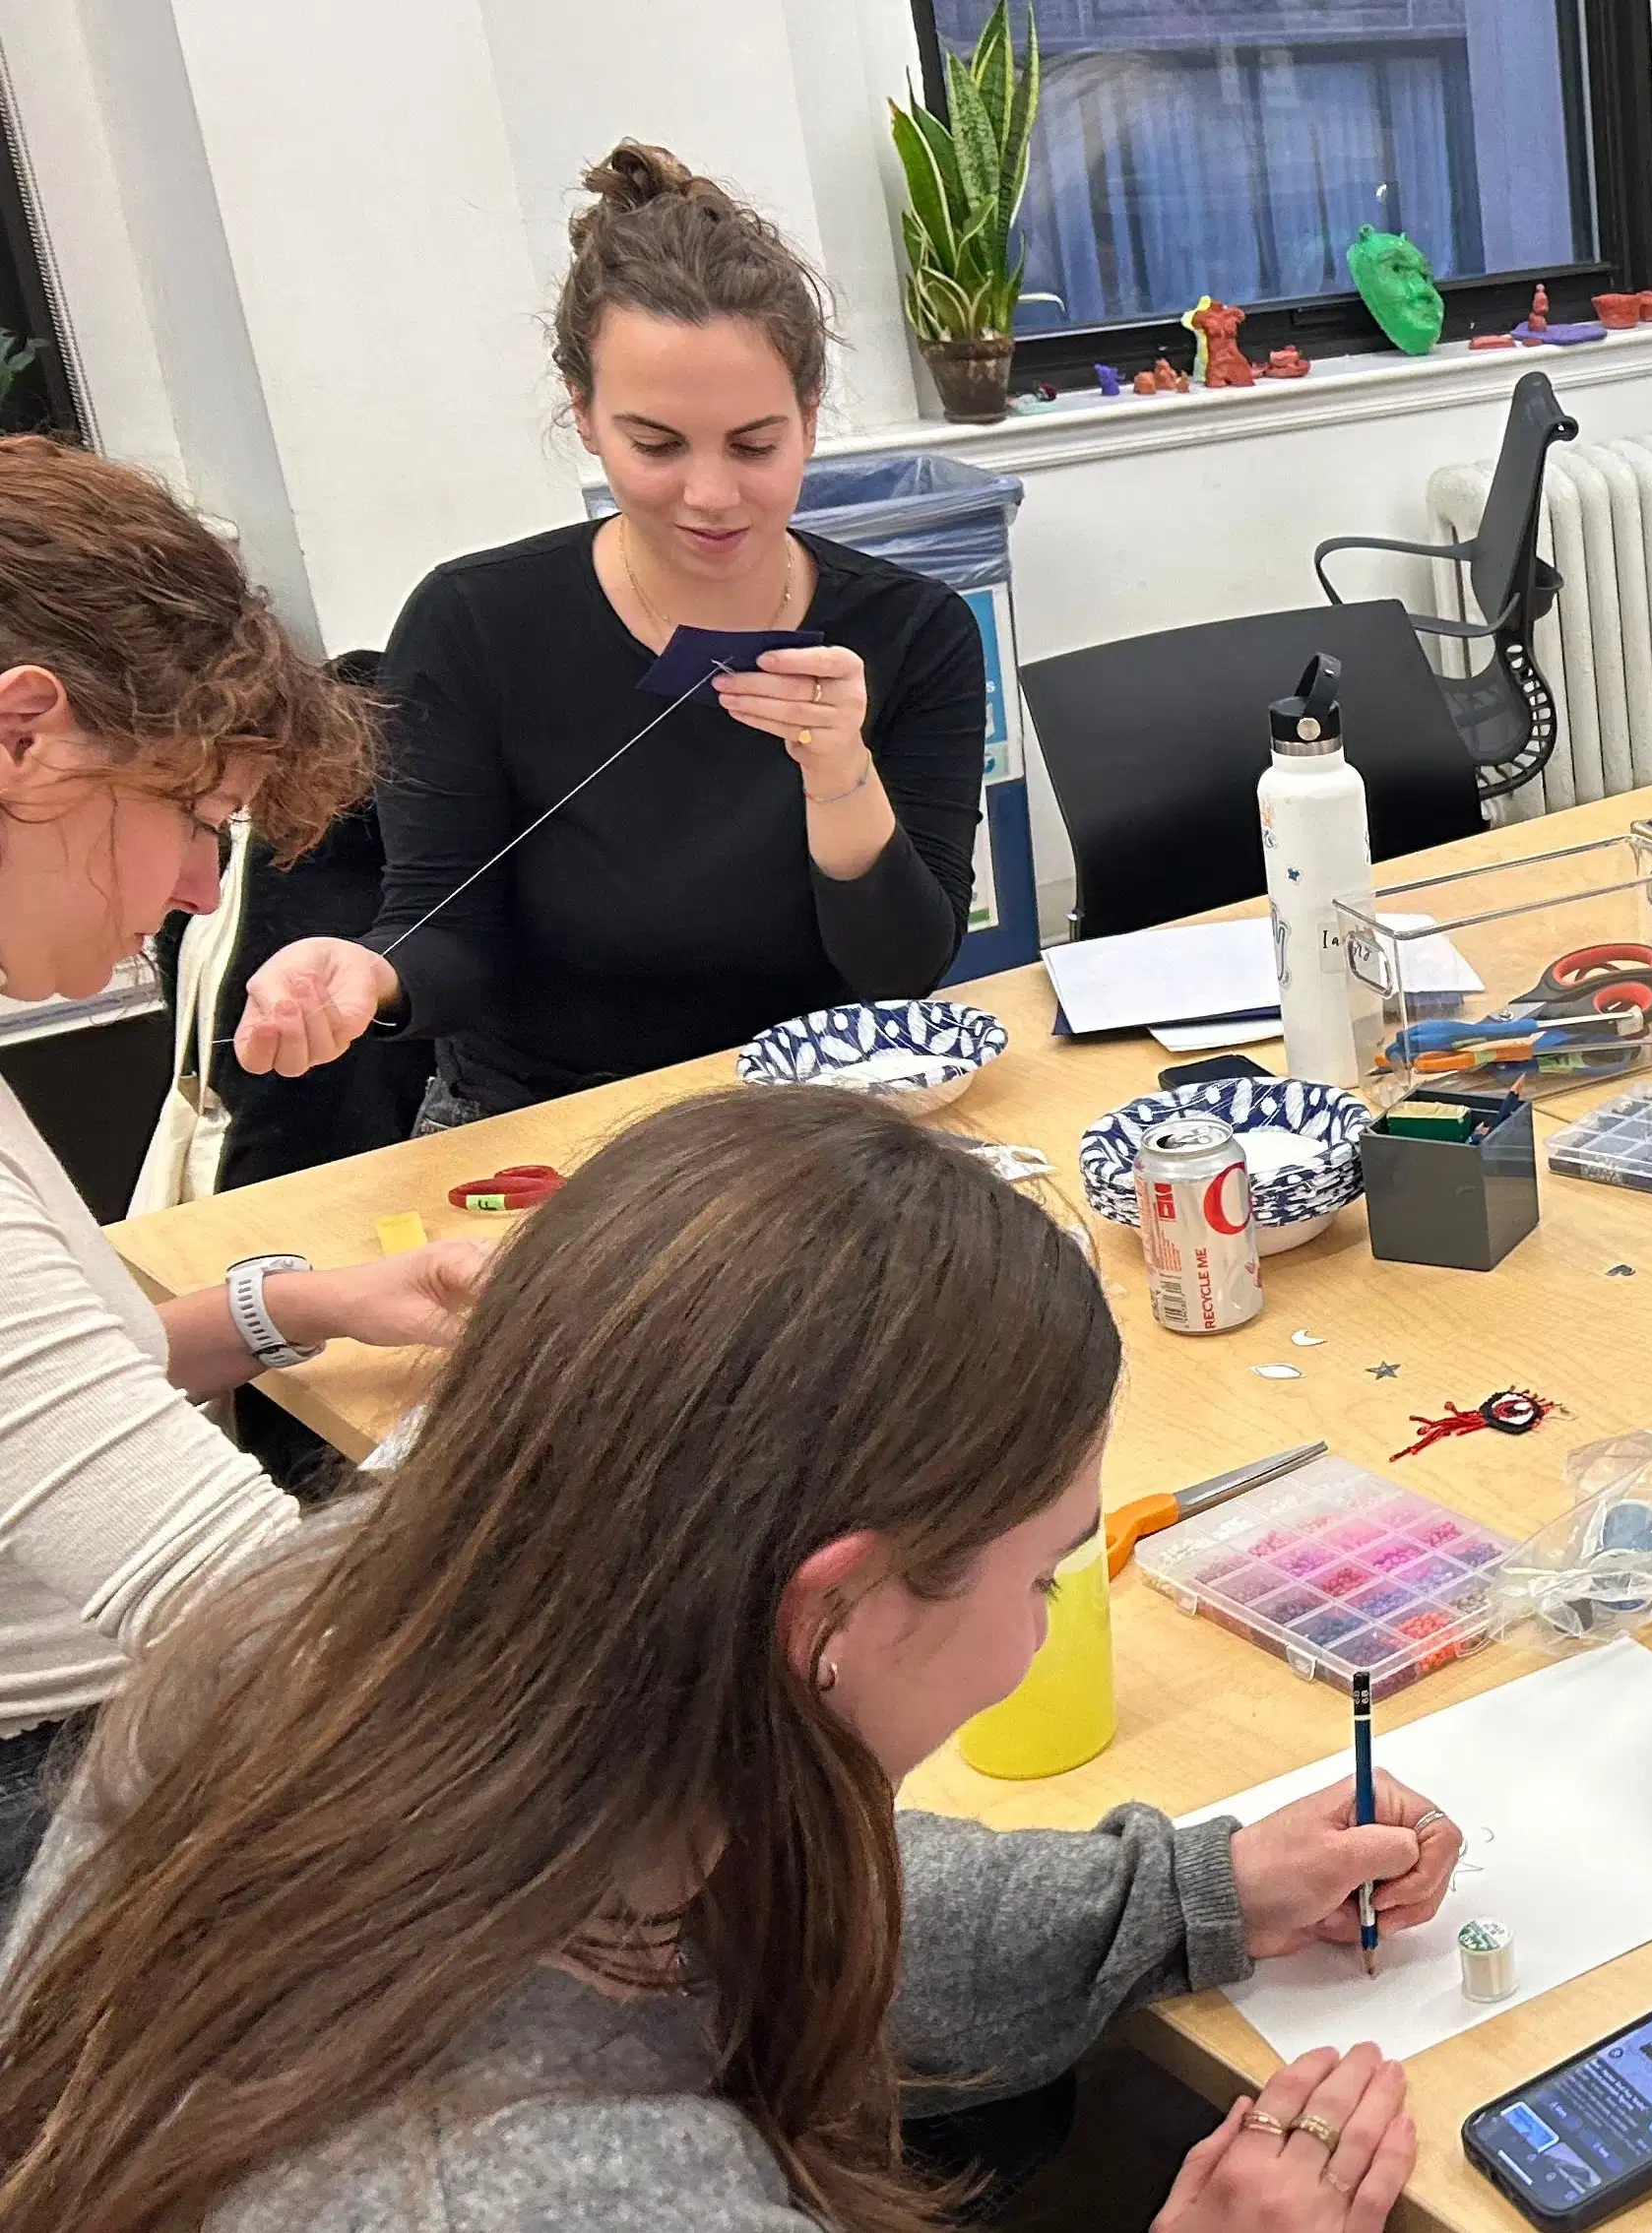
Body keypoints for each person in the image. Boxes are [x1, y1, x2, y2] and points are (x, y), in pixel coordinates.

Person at [0, 1088, 1452, 2233]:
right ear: (830, 1613)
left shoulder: (333, 1631)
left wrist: (1188, 1892)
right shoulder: (546, 2192)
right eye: (1045, 1573)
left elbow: (748, 1890)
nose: (1041, 1628)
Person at [237, 142, 984, 1124]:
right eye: (656, 444)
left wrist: (837, 771)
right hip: (557, 1130)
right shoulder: (476, 625)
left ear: (809, 418)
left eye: (755, 445)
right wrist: (366, 976)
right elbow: (448, 933)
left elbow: (904, 971)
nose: (711, 496)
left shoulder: (914, 632)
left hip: (824, 1127)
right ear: (584, 417)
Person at [0, 435, 487, 1900]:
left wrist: (313, 1305)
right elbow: (286, 1645)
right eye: (196, 822)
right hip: (61, 1782)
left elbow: (61, 1392)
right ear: (27, 734)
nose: (207, 891)